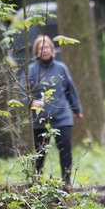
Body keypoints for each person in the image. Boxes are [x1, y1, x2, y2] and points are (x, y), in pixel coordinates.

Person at [20, 35, 83, 185]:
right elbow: (23, 92)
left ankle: (66, 182)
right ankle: (37, 182)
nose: (45, 50)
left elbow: (71, 89)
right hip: (40, 120)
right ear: (36, 51)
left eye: (47, 47)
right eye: (41, 48)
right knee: (39, 153)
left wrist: (77, 110)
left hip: (63, 115)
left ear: (52, 49)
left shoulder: (61, 68)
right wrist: (31, 102)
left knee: (65, 148)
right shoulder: (31, 70)